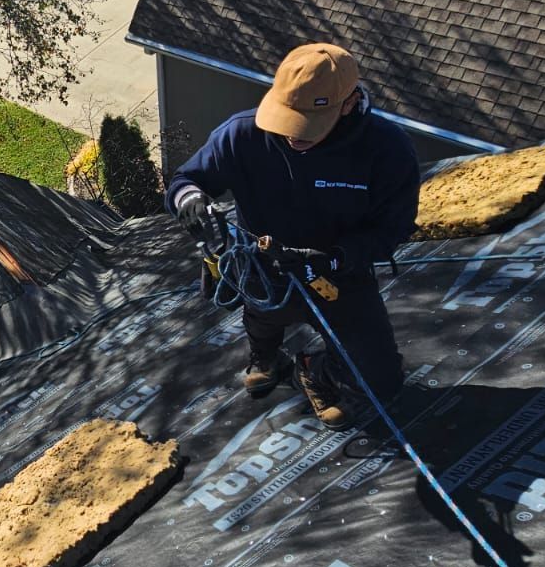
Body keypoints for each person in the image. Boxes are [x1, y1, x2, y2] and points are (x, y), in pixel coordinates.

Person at [166, 42, 420, 429]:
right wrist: (189, 199)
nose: (292, 136)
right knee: (264, 311)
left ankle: (314, 371)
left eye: (306, 124)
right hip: (262, 266)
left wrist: (334, 257)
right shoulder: (243, 136)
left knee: (381, 380)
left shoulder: (387, 151)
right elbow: (187, 179)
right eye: (287, 118)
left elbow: (393, 229)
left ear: (349, 104)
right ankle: (267, 356)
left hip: (339, 275)